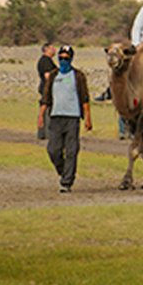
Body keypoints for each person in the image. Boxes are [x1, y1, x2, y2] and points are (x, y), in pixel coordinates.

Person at [38, 45, 92, 193]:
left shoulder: (78, 76)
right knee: (53, 150)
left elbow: (85, 98)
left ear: (71, 59)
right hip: (56, 117)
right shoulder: (54, 76)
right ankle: (64, 171)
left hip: (72, 118)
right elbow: (46, 97)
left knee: (71, 150)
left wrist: (88, 118)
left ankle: (67, 182)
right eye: (61, 58)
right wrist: (41, 116)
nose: (63, 61)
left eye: (66, 58)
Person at [35, 42, 57, 140]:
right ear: (46, 49)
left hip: (46, 88)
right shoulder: (45, 61)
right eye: (52, 48)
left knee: (46, 110)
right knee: (47, 110)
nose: (54, 50)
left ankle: (43, 133)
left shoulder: (47, 60)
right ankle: (46, 133)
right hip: (47, 89)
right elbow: (48, 76)